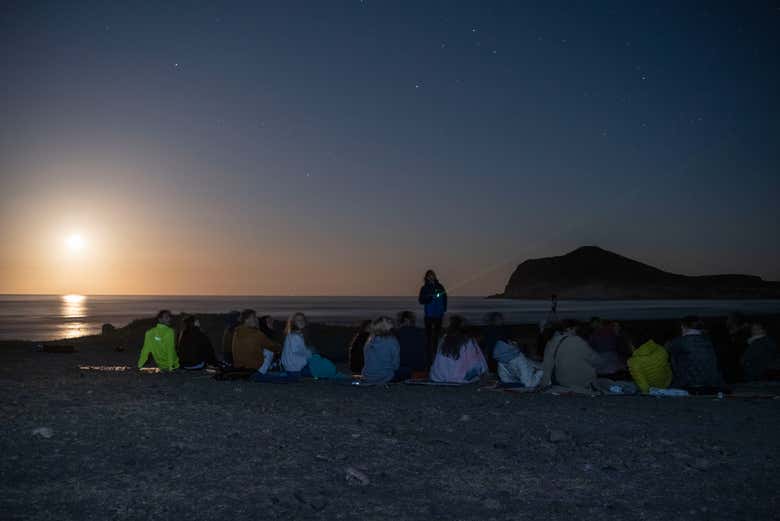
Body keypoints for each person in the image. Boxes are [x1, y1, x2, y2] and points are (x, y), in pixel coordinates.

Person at [540, 320, 602, 393]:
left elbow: (547, 367)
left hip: (563, 382)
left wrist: (543, 385)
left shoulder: (550, 343)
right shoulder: (578, 341)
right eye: (575, 329)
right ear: (569, 329)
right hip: (585, 381)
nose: (576, 332)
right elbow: (597, 360)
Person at [665, 316, 724, 391]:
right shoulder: (709, 341)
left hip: (688, 383)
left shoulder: (678, 342)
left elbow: (667, 352)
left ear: (683, 327)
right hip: (712, 382)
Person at [429, 315, 488, 384]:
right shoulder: (468, 340)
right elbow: (476, 362)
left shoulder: (443, 339)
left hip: (439, 377)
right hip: (461, 377)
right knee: (478, 364)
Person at [362, 316, 404, 384]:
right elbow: (396, 365)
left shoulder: (369, 341)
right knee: (407, 371)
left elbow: (366, 359)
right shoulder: (392, 341)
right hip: (385, 377)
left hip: (367, 376)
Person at [418, 269, 447, 364]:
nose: (431, 277)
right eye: (429, 275)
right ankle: (428, 357)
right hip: (429, 315)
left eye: (432, 275)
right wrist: (429, 298)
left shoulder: (440, 286)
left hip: (439, 314)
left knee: (437, 336)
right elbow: (421, 300)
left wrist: (444, 309)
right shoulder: (424, 288)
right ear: (426, 277)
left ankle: (437, 354)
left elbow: (445, 297)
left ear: (435, 276)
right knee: (428, 337)